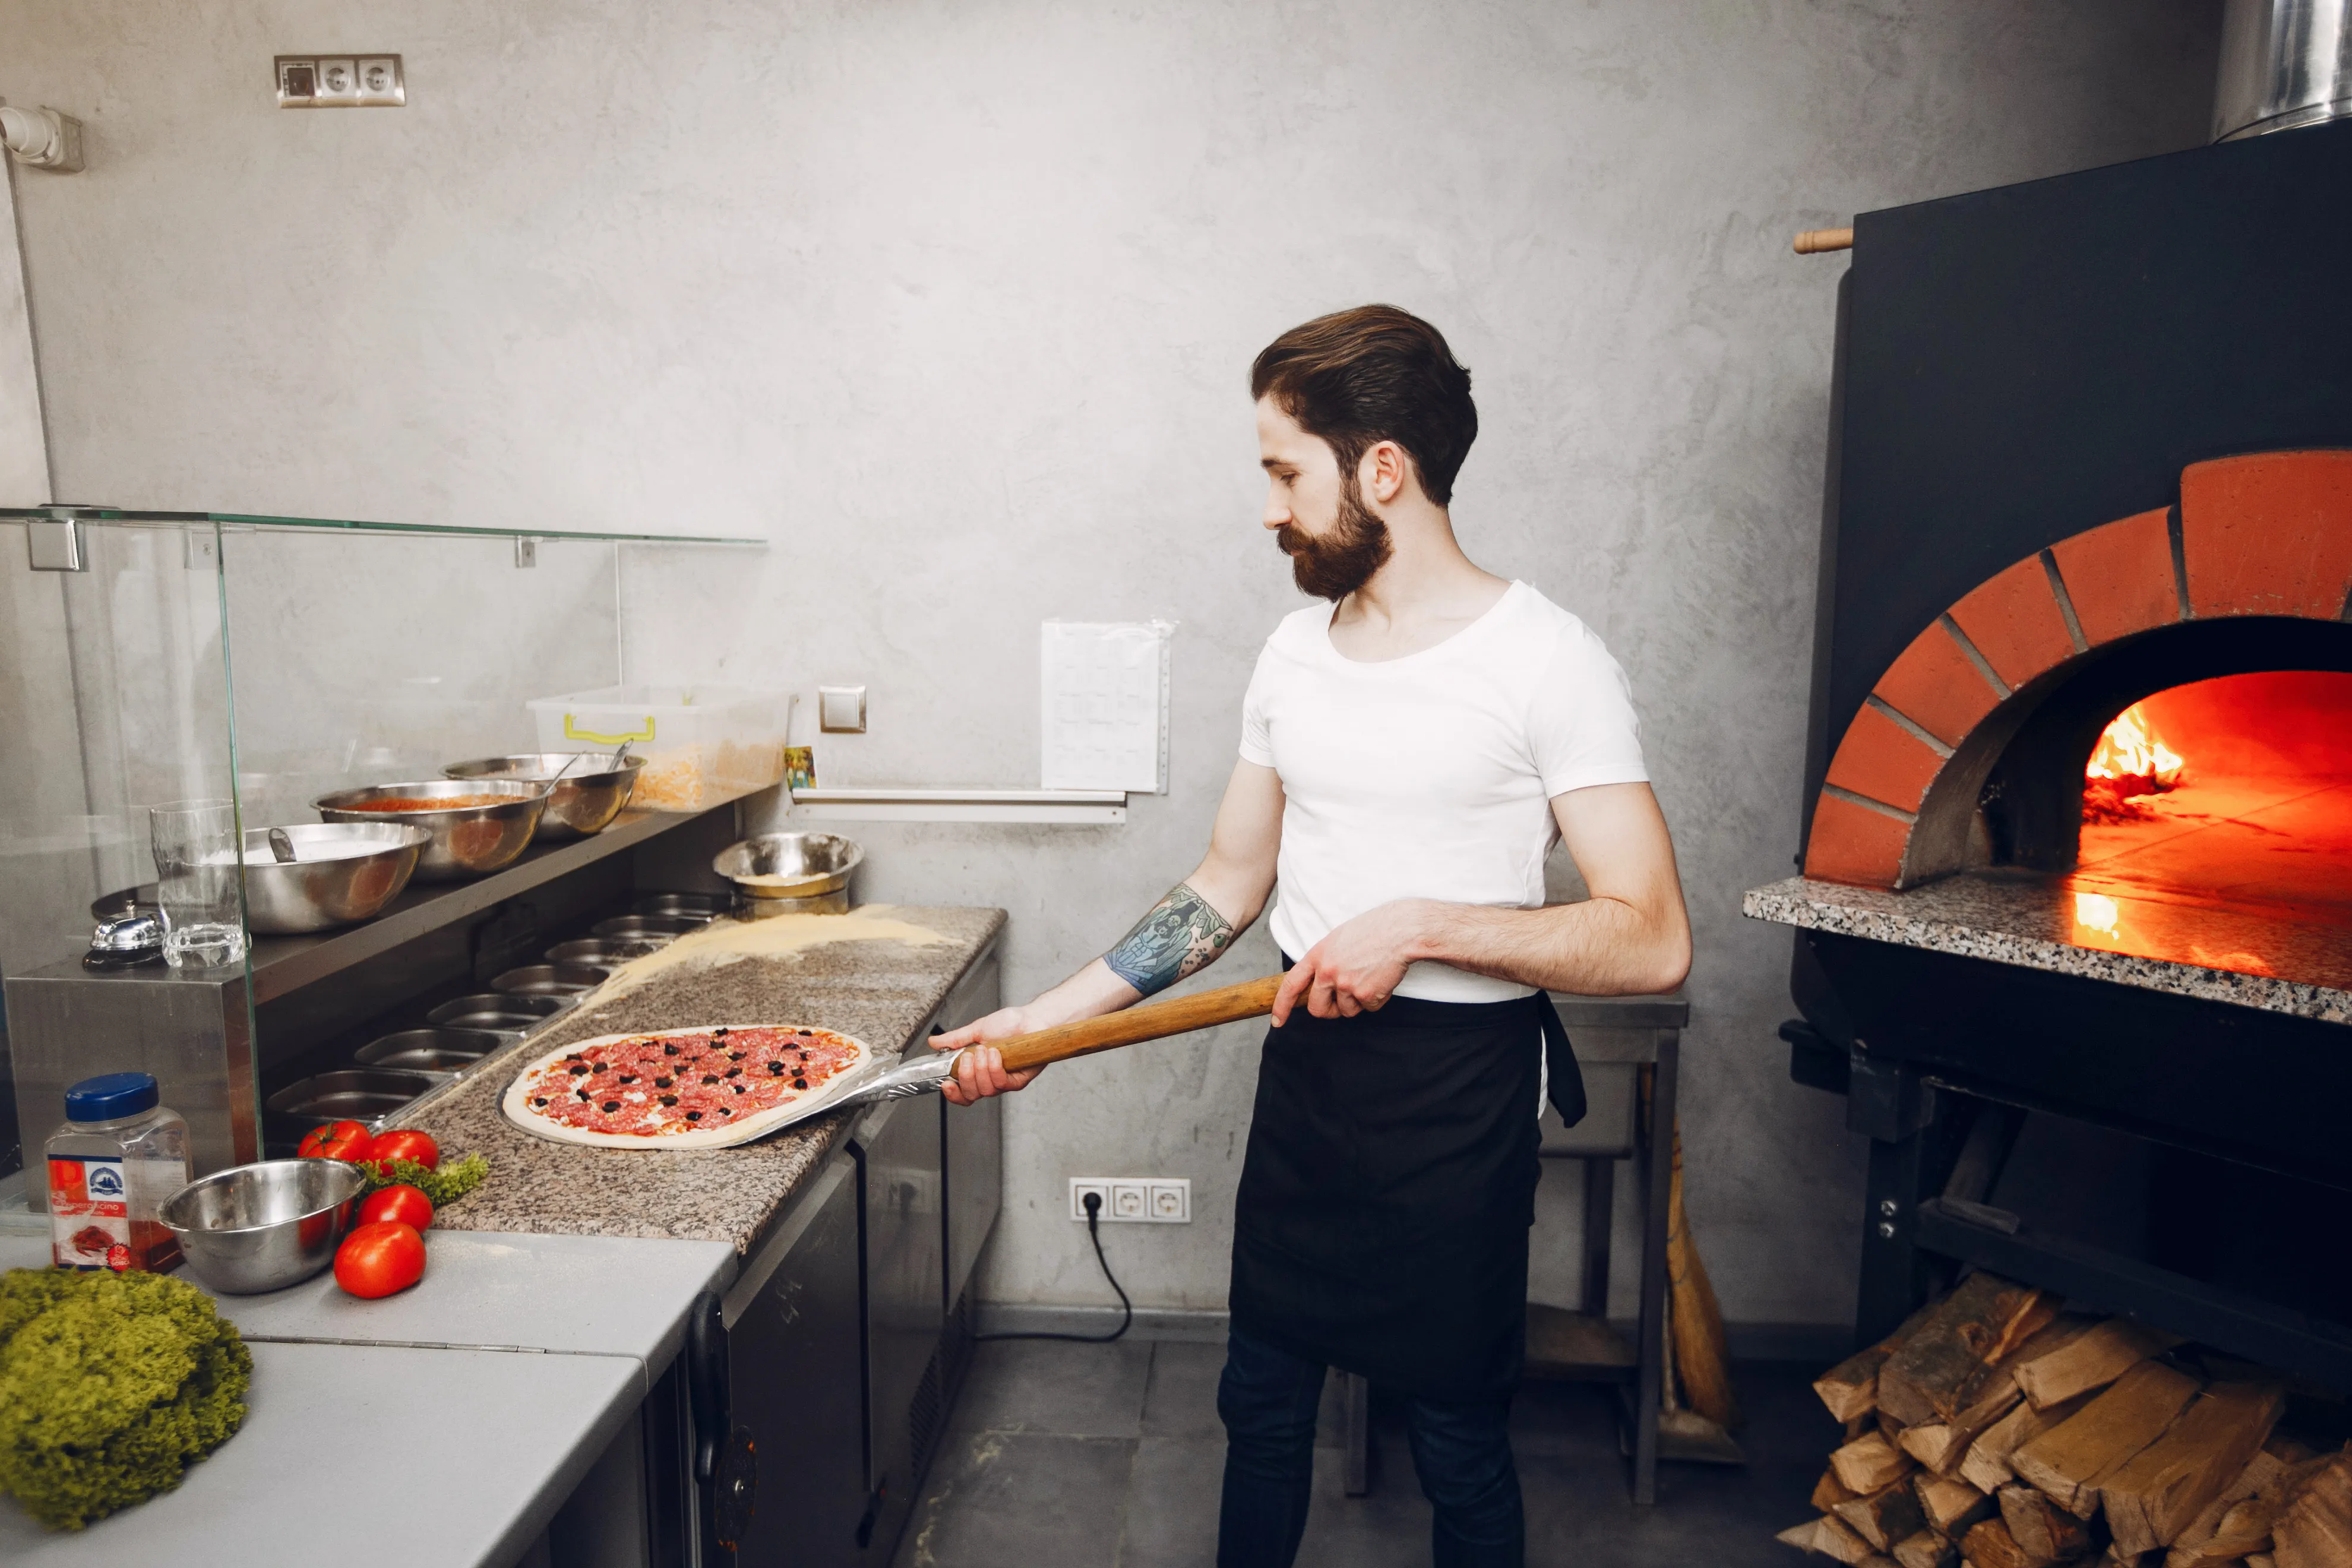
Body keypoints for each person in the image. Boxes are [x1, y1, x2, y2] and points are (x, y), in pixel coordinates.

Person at [931, 304, 1692, 1568]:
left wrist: (1423, 925)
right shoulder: (1294, 656)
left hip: (1459, 1100)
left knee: (1456, 1438)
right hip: (1311, 1075)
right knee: (1263, 1406)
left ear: (1379, 468)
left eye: (1287, 471)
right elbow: (1226, 886)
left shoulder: (1549, 661)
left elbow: (1654, 938)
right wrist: (1043, 1026)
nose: (1270, 508)